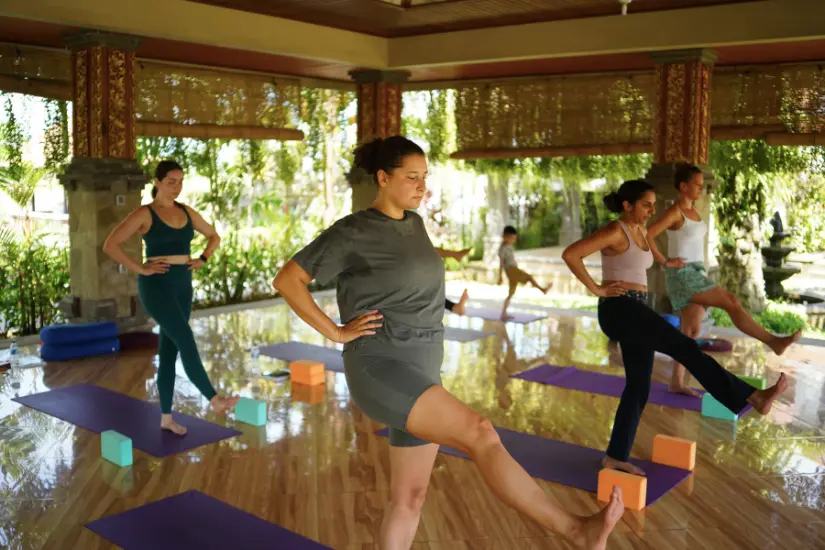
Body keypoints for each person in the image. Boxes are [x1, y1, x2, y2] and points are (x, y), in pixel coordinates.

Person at [273, 136, 623, 550]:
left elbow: (413, 283)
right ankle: (576, 532)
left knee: (409, 499)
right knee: (481, 434)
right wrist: (335, 332)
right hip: (380, 366)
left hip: (421, 367)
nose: (422, 187)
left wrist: (453, 305)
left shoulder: (415, 223)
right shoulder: (353, 231)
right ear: (383, 178)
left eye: (425, 178)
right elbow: (288, 279)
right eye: (411, 178)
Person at [562, 179, 788, 476]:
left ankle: (615, 456)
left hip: (636, 309)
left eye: (653, 204)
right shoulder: (615, 229)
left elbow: (647, 259)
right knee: (685, 347)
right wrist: (597, 289)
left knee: (639, 386)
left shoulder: (640, 230)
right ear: (627, 205)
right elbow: (571, 254)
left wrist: (669, 263)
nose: (651, 210)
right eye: (646, 204)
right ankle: (751, 396)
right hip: (620, 309)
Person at [103, 160, 238, 435]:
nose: (176, 187)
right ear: (157, 182)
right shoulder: (145, 213)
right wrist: (140, 267)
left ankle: (166, 417)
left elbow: (213, 236)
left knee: (168, 352)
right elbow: (110, 245)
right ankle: (215, 399)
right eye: (170, 182)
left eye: (180, 181)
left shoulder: (187, 212)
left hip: (182, 286)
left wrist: (203, 258)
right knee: (185, 337)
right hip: (156, 286)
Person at [647, 164, 800, 397]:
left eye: (701, 184)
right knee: (731, 301)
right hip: (683, 275)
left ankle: (676, 382)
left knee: (691, 331)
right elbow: (648, 234)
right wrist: (665, 261)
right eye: (697, 184)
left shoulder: (694, 212)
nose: (701, 188)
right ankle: (773, 341)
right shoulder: (674, 212)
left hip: (697, 272)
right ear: (683, 186)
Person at [498, 226, 552, 320]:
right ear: (506, 237)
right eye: (512, 238)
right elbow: (501, 263)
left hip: (513, 269)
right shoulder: (503, 248)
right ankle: (543, 290)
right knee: (529, 277)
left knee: (511, 293)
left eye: (514, 238)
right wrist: (500, 276)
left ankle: (504, 313)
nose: (513, 240)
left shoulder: (508, 247)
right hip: (511, 270)